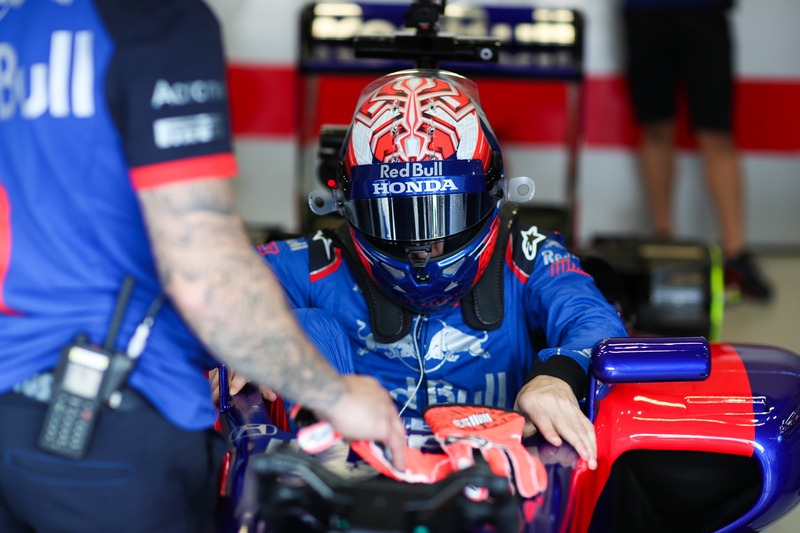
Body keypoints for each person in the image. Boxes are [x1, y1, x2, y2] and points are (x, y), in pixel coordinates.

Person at [0, 2, 404, 532]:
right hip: (113, 424)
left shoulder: (21, 22)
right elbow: (202, 265)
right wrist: (334, 394)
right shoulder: (159, 20)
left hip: (14, 406)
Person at [253, 69, 629, 470]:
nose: (422, 248)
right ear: (346, 207)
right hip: (345, 485)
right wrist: (239, 341)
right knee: (302, 327)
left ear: (492, 196)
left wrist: (559, 375)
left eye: (443, 214)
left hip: (500, 487)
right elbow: (210, 285)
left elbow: (595, 319)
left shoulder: (528, 255)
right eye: (394, 216)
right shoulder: (318, 260)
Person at [621, 0, 772, 301]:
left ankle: (735, 254)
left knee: (716, 134)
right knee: (655, 128)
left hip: (704, 11)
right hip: (645, 12)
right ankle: (661, 245)